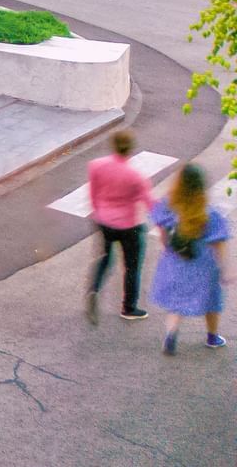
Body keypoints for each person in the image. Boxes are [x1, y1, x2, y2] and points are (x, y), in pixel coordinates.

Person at [148, 164, 229, 354]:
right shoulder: (210, 214)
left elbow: (161, 226)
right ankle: (212, 336)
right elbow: (218, 243)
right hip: (202, 264)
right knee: (211, 300)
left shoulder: (168, 204)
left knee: (177, 302)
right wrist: (224, 268)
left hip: (176, 260)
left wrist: (165, 244)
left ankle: (170, 334)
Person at [86, 129, 152, 323]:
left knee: (105, 258)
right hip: (129, 226)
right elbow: (150, 204)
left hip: (104, 222)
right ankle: (129, 307)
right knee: (132, 267)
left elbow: (93, 193)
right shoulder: (136, 177)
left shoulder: (96, 166)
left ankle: (94, 289)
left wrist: (98, 212)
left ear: (113, 145)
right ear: (131, 148)